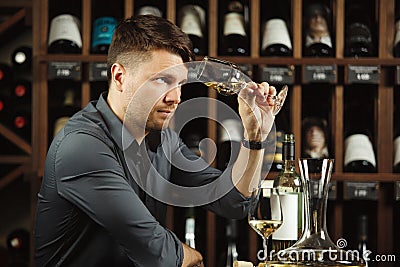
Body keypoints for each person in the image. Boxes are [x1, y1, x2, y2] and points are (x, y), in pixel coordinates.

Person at [34, 15, 276, 267]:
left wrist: (254, 137)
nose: (176, 97)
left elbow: (233, 202)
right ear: (119, 77)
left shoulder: (163, 140)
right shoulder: (82, 146)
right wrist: (194, 256)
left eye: (180, 83)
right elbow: (155, 251)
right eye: (162, 80)